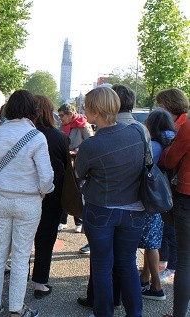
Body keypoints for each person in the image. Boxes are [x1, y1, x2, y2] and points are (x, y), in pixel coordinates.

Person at [0, 90, 54, 317]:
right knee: (20, 256)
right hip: (28, 201)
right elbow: (46, 176)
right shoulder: (37, 137)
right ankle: (16, 309)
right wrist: (42, 191)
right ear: (33, 110)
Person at [75, 86, 146, 317]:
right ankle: (135, 313)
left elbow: (80, 173)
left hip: (101, 210)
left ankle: (103, 312)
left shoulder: (91, 145)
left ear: (95, 112)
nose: (84, 111)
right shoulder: (136, 133)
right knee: (127, 264)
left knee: (103, 265)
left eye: (87, 108)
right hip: (134, 210)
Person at [30, 95, 67, 299]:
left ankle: (17, 277)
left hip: (24, 192)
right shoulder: (57, 136)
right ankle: (40, 283)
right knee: (45, 239)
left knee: (20, 239)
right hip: (51, 195)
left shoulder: (23, 134)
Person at [139, 108, 176, 301]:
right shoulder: (171, 142)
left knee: (151, 243)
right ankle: (145, 278)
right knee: (151, 240)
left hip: (151, 198)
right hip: (164, 198)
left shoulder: (153, 146)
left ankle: (156, 286)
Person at [159, 92, 190, 317]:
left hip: (187, 197)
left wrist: (167, 147)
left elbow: (169, 160)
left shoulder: (186, 128)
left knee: (185, 261)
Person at [57, 103, 93, 233]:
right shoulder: (62, 126)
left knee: (78, 191)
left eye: (62, 115)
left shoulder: (83, 124)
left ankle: (79, 221)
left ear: (70, 114)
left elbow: (91, 143)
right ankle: (62, 220)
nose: (60, 118)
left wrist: (77, 151)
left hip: (78, 164)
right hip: (65, 162)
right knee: (63, 191)